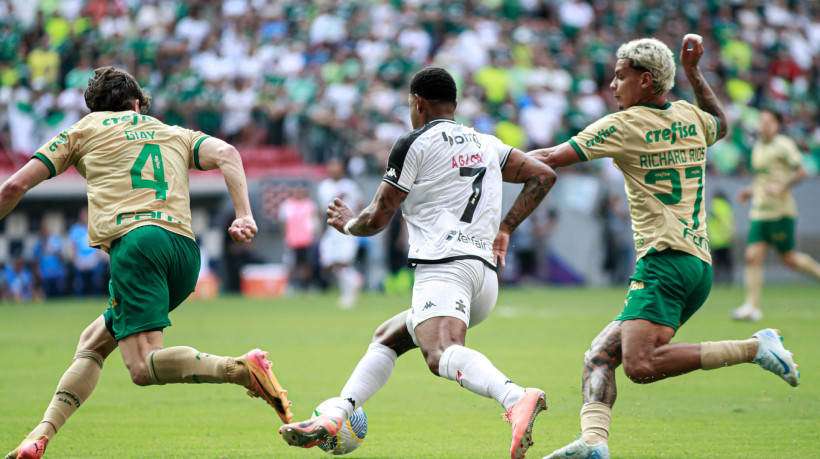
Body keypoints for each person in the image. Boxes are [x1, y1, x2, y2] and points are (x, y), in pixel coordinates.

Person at [528, 37, 800, 459]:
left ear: (645, 79)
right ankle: (594, 443)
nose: (613, 86)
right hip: (696, 265)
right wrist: (694, 74)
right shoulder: (691, 116)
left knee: (640, 365)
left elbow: (548, 156)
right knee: (600, 355)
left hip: (664, 261)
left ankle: (753, 347)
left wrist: (482, 163)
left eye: (620, 77)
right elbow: (721, 124)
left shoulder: (622, 125)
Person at [0, 66, 293, 459]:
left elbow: (14, 186)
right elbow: (227, 152)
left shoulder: (84, 129)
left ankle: (239, 370)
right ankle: (40, 436)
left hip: (137, 244)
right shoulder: (172, 132)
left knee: (141, 367)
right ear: (137, 103)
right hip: (185, 254)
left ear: (94, 108)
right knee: (93, 342)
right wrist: (245, 214)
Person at [278, 67, 557, 459]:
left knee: (440, 353)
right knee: (389, 336)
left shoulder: (414, 143)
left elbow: (377, 217)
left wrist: (347, 225)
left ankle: (514, 396)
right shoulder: (486, 142)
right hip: (483, 277)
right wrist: (506, 227)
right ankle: (338, 412)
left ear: (417, 103)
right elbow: (542, 175)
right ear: (455, 106)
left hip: (444, 266)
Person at [731, 108, 820, 321]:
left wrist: (781, 186)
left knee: (789, 259)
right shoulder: (757, 147)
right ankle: (752, 306)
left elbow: (801, 172)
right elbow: (762, 180)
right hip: (760, 212)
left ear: (777, 124)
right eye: (761, 120)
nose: (764, 125)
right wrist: (749, 190)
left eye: (769, 121)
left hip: (781, 212)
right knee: (752, 256)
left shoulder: (784, 145)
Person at [317, 157, 363, 308]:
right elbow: (322, 209)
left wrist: (359, 223)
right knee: (328, 262)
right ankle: (354, 280)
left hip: (347, 229)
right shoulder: (324, 186)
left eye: (336, 166)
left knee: (343, 262)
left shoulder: (350, 186)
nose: (333, 169)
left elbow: (360, 204)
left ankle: (348, 295)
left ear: (342, 168)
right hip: (331, 229)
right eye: (331, 166)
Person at [707, 190, 734, 285]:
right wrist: (729, 233)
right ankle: (728, 280)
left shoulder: (715, 205)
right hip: (726, 238)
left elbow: (718, 220)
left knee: (717, 262)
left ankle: (717, 280)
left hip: (716, 239)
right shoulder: (727, 206)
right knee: (727, 262)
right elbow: (729, 221)